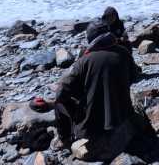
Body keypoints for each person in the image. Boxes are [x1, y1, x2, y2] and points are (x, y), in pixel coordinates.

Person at [55, 20, 151, 161]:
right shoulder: (124, 53)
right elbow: (133, 77)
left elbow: (61, 93)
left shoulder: (84, 61)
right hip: (123, 116)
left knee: (59, 103)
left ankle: (65, 140)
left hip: (93, 127)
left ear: (91, 38)